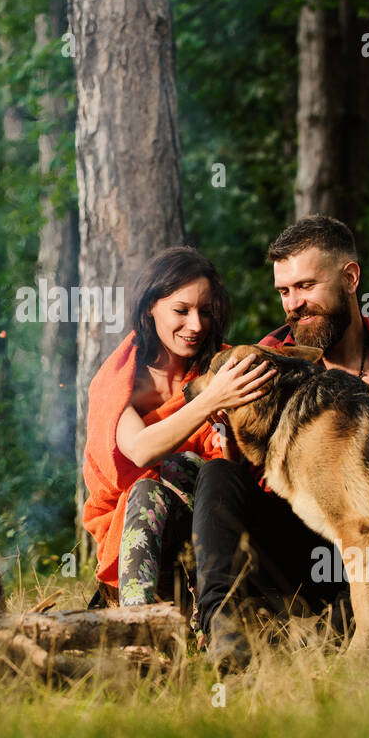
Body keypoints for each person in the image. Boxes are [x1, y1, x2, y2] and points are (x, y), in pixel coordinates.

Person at [191, 215, 369, 670]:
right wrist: (224, 421)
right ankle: (223, 629)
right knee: (217, 474)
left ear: (350, 278)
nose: (294, 304)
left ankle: (343, 629)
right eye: (285, 291)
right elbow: (241, 473)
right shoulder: (267, 358)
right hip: (298, 542)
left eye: (306, 286)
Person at [82, 246, 275, 614]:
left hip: (213, 522)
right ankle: (139, 625)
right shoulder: (120, 378)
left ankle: (201, 610)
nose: (197, 325)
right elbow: (138, 451)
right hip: (136, 523)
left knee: (184, 468)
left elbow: (233, 472)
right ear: (150, 306)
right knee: (148, 485)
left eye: (205, 311)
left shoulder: (223, 366)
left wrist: (227, 437)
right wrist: (209, 400)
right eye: (181, 311)